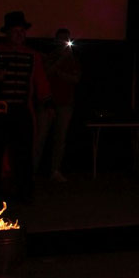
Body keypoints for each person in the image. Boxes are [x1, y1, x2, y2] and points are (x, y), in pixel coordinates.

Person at [0, 11, 51, 205]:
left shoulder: (33, 56)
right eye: (15, 31)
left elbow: (40, 81)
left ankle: (23, 192)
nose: (20, 34)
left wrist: (45, 102)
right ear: (7, 33)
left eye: (22, 31)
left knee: (23, 153)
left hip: (22, 111)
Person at [34, 28, 82, 182]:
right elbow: (46, 73)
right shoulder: (49, 57)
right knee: (40, 138)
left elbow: (76, 79)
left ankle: (55, 170)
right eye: (61, 39)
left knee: (60, 139)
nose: (63, 42)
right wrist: (60, 61)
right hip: (47, 103)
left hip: (65, 104)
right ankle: (31, 171)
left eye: (66, 39)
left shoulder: (73, 59)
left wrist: (60, 73)